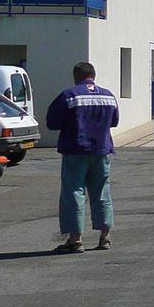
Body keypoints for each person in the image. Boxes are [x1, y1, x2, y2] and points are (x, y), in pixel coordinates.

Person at [43, 62, 120, 253]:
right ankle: (105, 237)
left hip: (75, 150)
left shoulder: (70, 95)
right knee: (102, 193)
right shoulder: (108, 95)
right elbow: (114, 121)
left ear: (76, 75)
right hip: (102, 151)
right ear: (93, 75)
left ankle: (76, 240)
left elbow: (51, 122)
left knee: (74, 194)